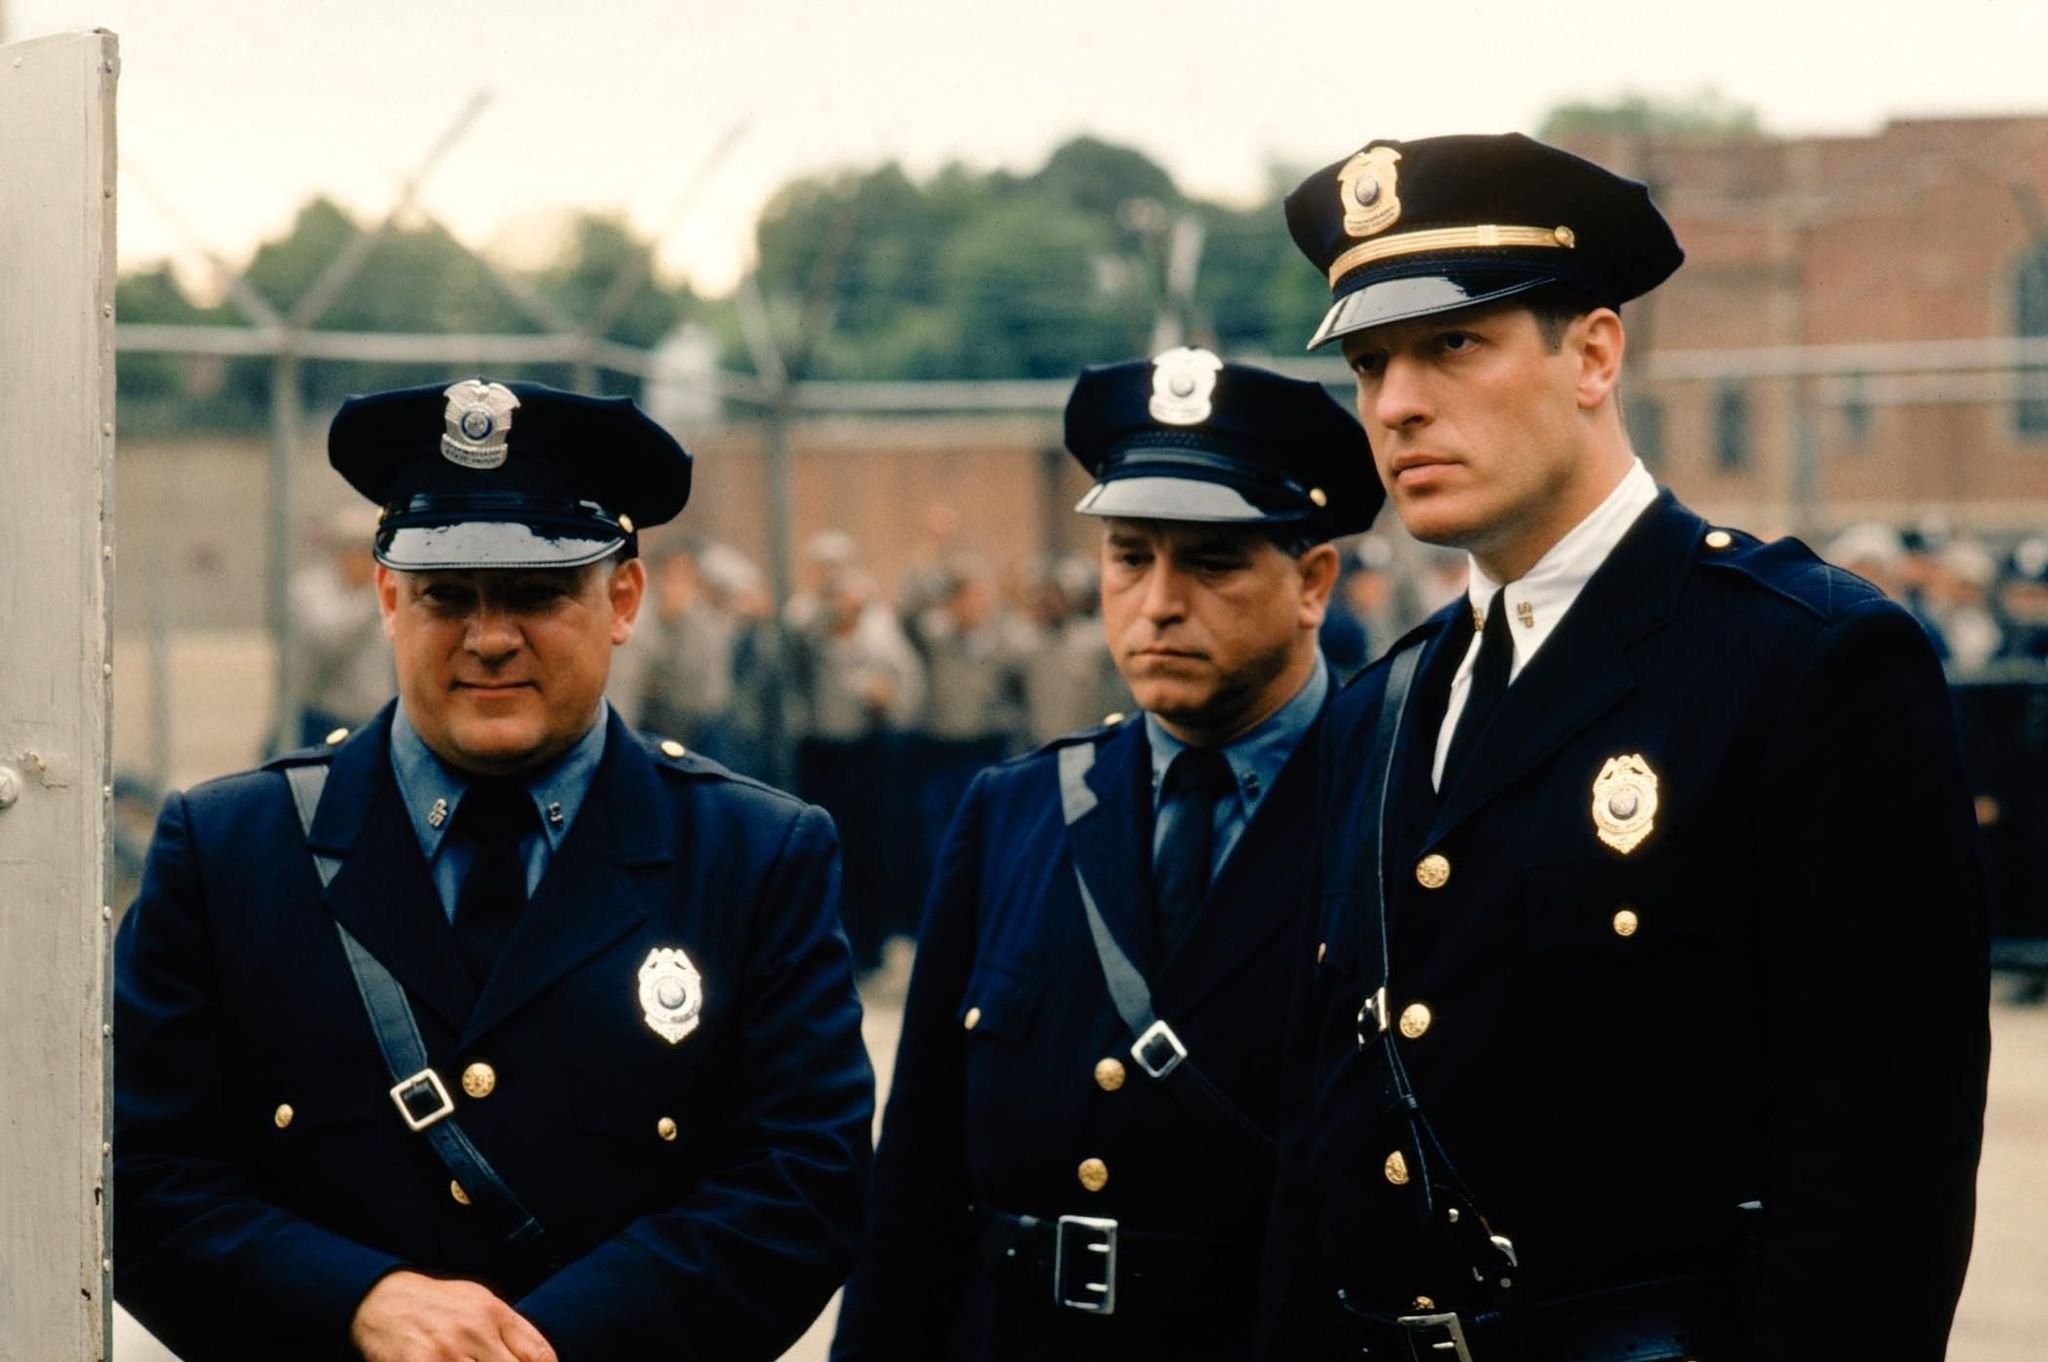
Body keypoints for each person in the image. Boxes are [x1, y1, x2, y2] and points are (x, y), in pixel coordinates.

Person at [1257, 132, 1991, 1362]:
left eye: (1451, 345)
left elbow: (1878, 1169)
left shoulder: (1800, 661)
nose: (1394, 405)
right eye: (1370, 363)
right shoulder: (1380, 706)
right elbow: (1315, 1139)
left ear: (1592, 353)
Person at [115, 379, 874, 1362]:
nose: (488, 637)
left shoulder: (754, 856)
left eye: (537, 592)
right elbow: (141, 1176)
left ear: (623, 600)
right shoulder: (228, 853)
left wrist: (538, 1346)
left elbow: (802, 1185)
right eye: (445, 595)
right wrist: (357, 1301)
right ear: (388, 598)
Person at [831, 346, 1381, 1362]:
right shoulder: (1015, 813)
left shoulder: (1391, 814)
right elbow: (914, 1185)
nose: (1158, 601)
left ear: (1310, 583)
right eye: (1129, 557)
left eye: (1211, 561)